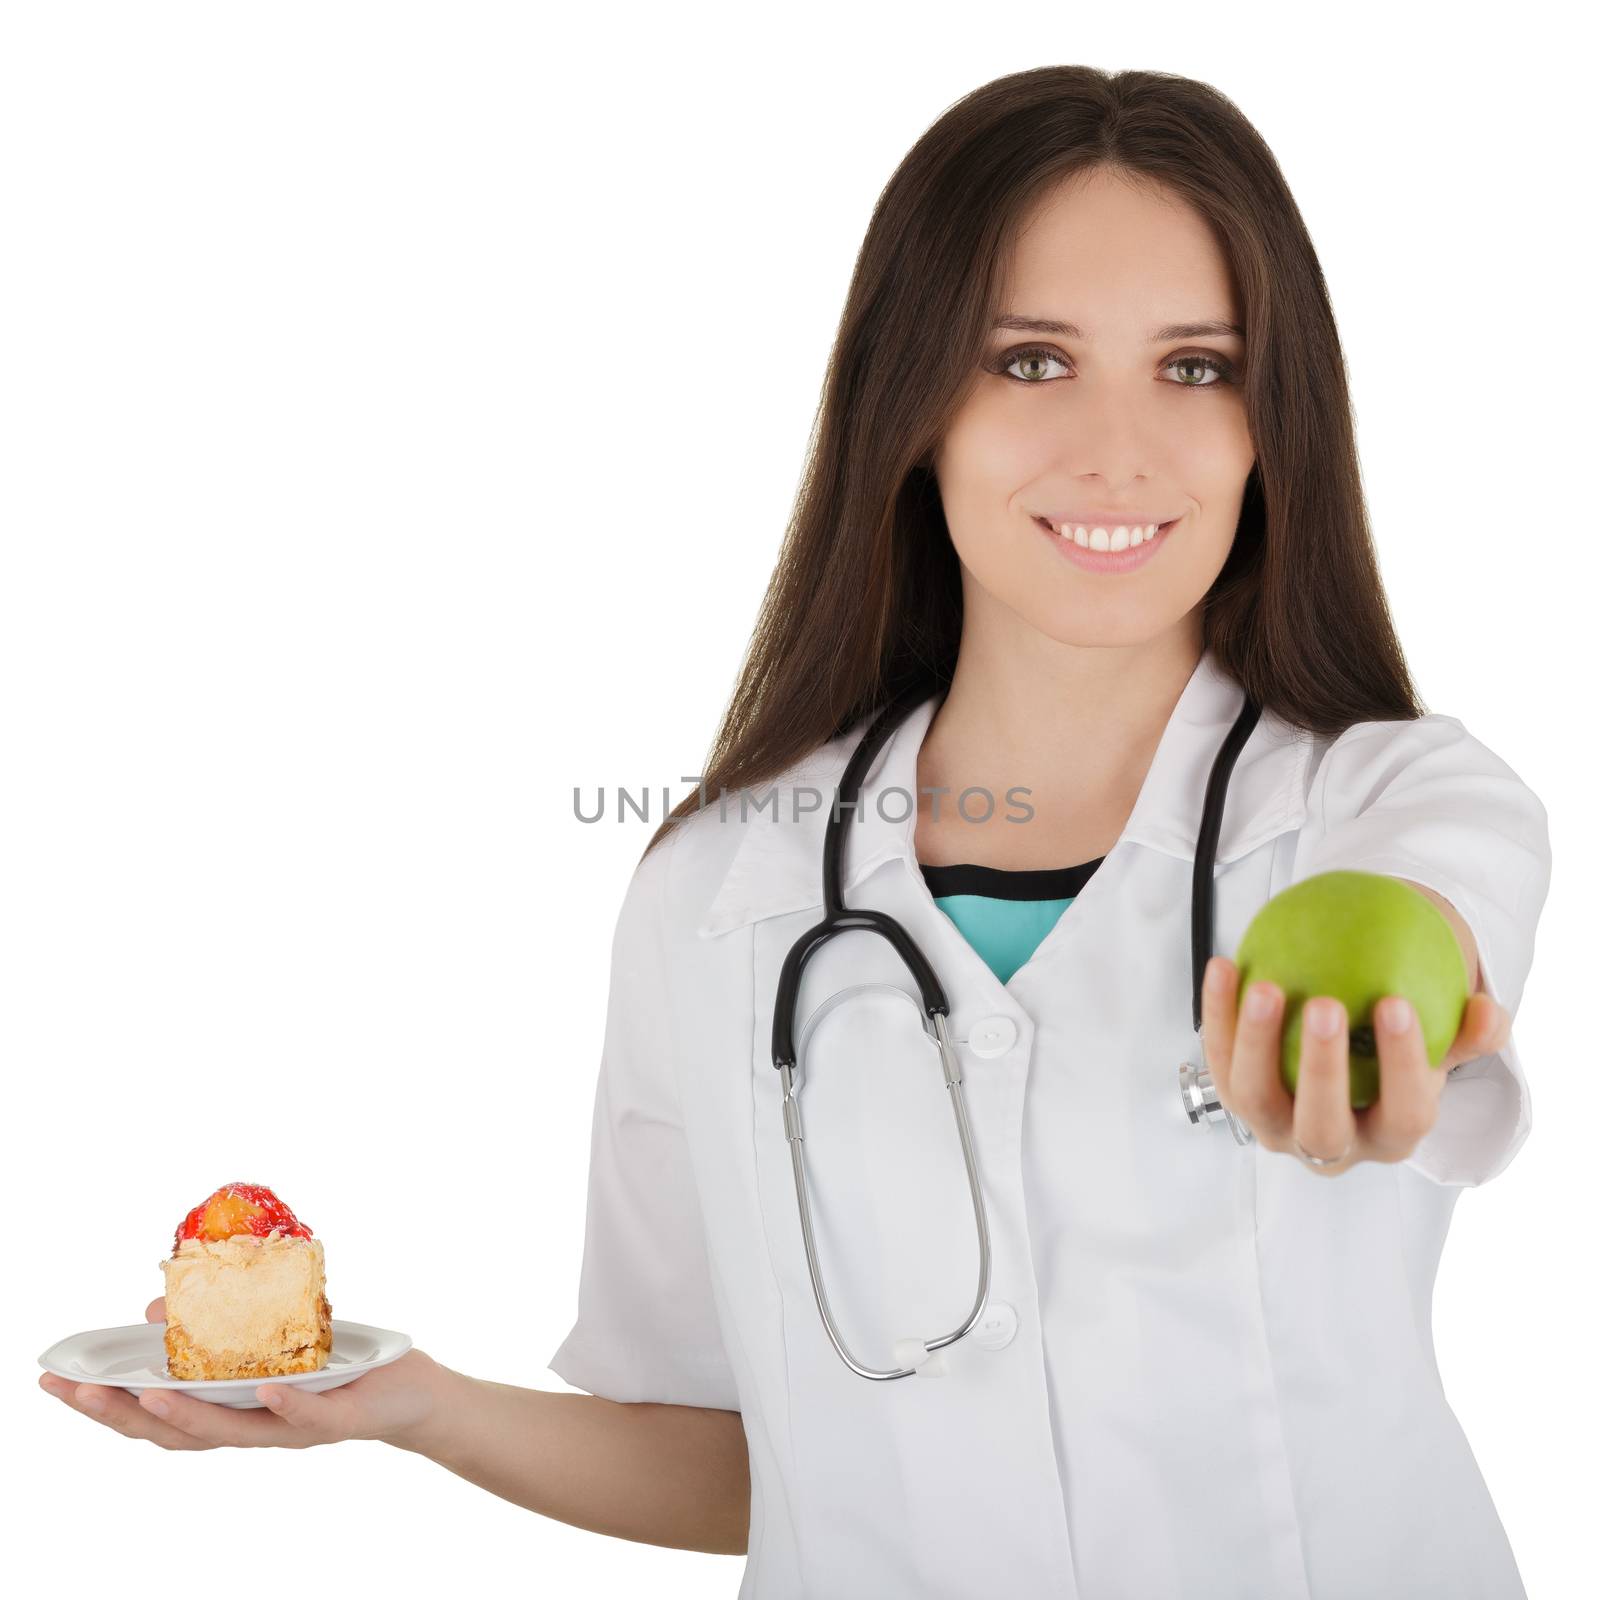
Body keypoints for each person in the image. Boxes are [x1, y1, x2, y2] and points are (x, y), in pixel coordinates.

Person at [40, 64, 1551, 1599]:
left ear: (1267, 424)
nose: (1119, 449)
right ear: (913, 405)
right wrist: (419, 1407)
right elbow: (755, 1462)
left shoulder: (1391, 803)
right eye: (1031, 362)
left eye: (1196, 367)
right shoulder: (722, 888)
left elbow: (1426, 916)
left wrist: (1358, 1021)